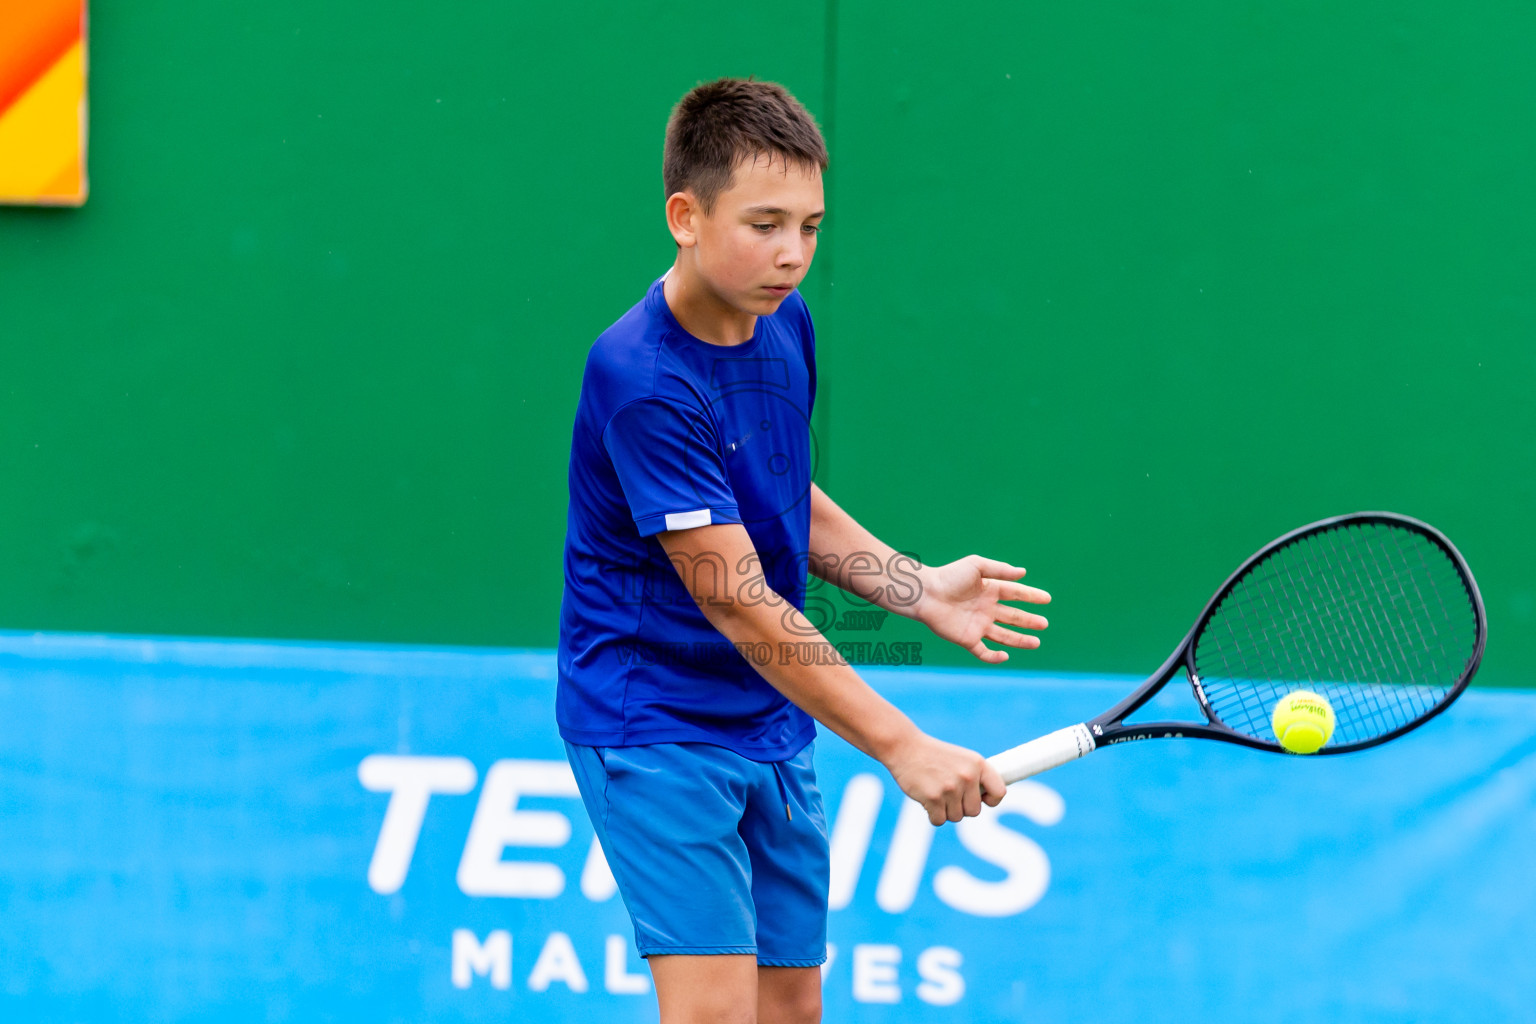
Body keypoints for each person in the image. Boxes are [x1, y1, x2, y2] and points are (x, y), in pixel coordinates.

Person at [556, 77, 1051, 1024]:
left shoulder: (784, 321)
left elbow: (777, 494)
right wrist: (902, 745)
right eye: (765, 224)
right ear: (685, 217)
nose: (793, 255)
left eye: (811, 227)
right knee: (714, 1016)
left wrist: (915, 590)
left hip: (771, 718)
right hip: (653, 722)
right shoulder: (640, 379)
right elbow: (738, 596)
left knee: (789, 1010)